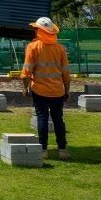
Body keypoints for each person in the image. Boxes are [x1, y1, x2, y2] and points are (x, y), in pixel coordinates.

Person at [21, 16, 71, 160]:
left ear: (39, 31)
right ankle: (62, 150)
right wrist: (67, 90)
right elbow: (66, 72)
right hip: (58, 91)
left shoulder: (33, 47)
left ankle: (43, 150)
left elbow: (26, 72)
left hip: (39, 91)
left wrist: (25, 88)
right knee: (58, 120)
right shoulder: (60, 48)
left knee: (42, 118)